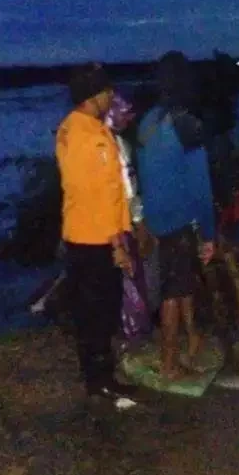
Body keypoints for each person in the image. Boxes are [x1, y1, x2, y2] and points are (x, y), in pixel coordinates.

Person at [55, 63, 139, 406]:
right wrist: (117, 243)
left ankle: (101, 379)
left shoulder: (78, 128)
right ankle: (99, 383)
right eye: (107, 92)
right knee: (98, 313)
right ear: (94, 96)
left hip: (90, 234)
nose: (111, 97)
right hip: (94, 239)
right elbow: (97, 194)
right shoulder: (87, 136)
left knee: (97, 311)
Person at [136, 51, 216, 379]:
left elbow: (143, 172)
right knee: (172, 293)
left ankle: (193, 337)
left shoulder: (148, 121)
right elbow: (201, 185)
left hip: (153, 223)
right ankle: (169, 364)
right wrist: (209, 234)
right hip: (177, 224)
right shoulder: (186, 124)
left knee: (177, 283)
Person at [105, 92, 153, 344]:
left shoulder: (112, 143)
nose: (130, 118)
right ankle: (132, 335)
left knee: (128, 279)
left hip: (115, 223)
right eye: (125, 114)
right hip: (118, 225)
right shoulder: (113, 146)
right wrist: (138, 220)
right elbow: (127, 189)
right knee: (129, 280)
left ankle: (130, 332)